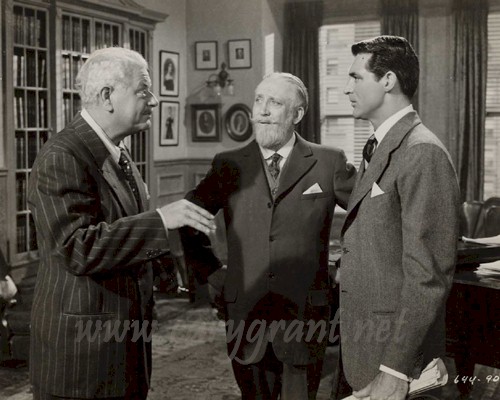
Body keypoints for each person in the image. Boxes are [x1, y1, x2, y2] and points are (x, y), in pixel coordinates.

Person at [27, 47, 216, 400]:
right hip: (82, 362)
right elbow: (76, 248)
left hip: (120, 347)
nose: (155, 100)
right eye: (144, 90)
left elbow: (122, 227)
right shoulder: (62, 156)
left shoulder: (117, 151)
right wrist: (160, 220)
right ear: (107, 96)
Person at [182, 72, 356, 399]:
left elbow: (368, 216)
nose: (262, 111)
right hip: (246, 316)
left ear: (297, 114)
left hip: (305, 317)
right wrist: (211, 272)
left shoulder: (328, 161)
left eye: (274, 103)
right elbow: (186, 217)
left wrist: (348, 264)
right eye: (258, 100)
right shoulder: (228, 165)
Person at [337, 35, 460, 400]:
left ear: (388, 80)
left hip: (396, 359)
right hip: (367, 345)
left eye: (356, 77)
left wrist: (395, 368)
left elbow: (427, 276)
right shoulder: (381, 145)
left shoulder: (422, 151)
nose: (347, 89)